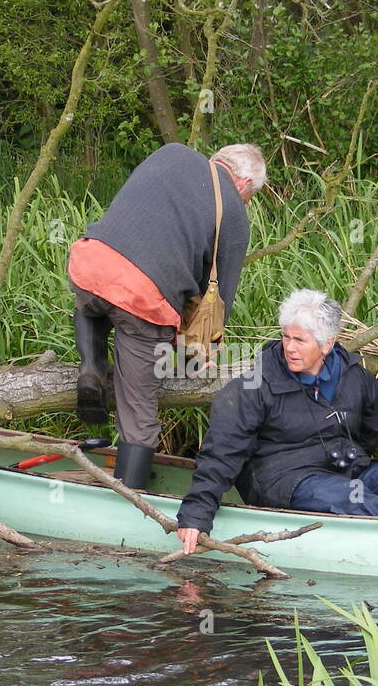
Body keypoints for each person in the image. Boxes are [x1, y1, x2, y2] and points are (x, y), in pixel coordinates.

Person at [175, 289, 378, 554]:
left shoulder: (353, 377)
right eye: (286, 337)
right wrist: (196, 513)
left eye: (300, 340)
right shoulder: (252, 386)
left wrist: (355, 456)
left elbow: (375, 422)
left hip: (345, 469)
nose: (290, 348)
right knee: (350, 498)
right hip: (282, 478)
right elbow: (221, 453)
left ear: (327, 345)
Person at [68, 142, 265, 488]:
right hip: (144, 300)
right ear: (244, 183)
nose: (247, 202)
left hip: (91, 261)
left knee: (94, 300)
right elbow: (218, 300)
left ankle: (92, 369)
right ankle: (131, 496)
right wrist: (197, 355)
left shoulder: (170, 153)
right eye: (251, 196)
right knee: (139, 409)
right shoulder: (233, 212)